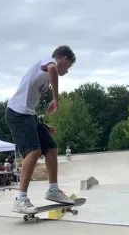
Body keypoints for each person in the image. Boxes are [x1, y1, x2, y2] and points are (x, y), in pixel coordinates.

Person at [5, 45, 76, 214]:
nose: (67, 72)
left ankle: (53, 189)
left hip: (29, 115)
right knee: (34, 151)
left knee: (51, 146)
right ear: (63, 59)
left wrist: (42, 125)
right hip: (17, 113)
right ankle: (20, 199)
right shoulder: (49, 62)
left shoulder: (43, 75)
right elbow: (52, 68)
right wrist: (55, 99)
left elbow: (30, 103)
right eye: (68, 67)